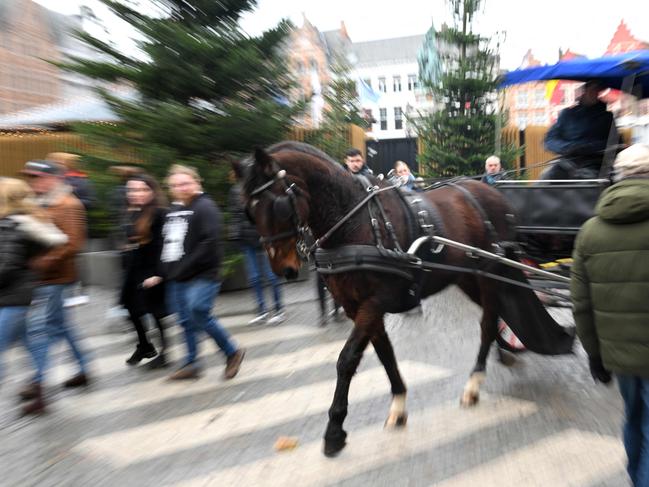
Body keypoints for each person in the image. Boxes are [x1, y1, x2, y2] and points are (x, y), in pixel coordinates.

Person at [571, 143, 649, 486]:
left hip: (620, 358)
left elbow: (581, 305)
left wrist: (595, 356)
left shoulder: (590, 232)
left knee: (633, 421)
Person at [154, 164, 245, 380]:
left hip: (202, 274)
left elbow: (210, 242)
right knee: (185, 320)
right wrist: (164, 269)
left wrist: (184, 266)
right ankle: (192, 363)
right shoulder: (175, 209)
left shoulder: (205, 207)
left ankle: (232, 352)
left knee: (198, 311)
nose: (181, 188)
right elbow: (167, 241)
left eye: (185, 183)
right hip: (176, 275)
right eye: (175, 185)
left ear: (197, 183)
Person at [19, 160, 90, 414]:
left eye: (38, 177)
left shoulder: (68, 204)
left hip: (55, 278)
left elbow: (73, 244)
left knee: (41, 328)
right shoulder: (43, 202)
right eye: (30, 177)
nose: (33, 182)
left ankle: (38, 380)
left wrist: (41, 262)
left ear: (54, 178)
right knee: (59, 325)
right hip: (46, 278)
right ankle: (83, 367)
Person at [0, 178, 68, 389]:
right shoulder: (15, 223)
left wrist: (37, 263)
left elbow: (8, 265)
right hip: (14, 295)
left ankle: (38, 383)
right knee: (28, 340)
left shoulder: (15, 225)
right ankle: (38, 383)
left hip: (14, 296)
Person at [121, 173, 171, 368]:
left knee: (154, 312)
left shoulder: (159, 213)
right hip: (135, 268)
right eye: (132, 190)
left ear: (152, 191)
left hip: (152, 269)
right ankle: (144, 345)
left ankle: (166, 352)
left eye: (142, 189)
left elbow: (162, 245)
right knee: (131, 309)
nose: (136, 193)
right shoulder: (134, 211)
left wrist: (159, 274)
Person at [227, 178, 285, 326]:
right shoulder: (235, 191)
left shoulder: (263, 189)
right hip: (247, 240)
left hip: (264, 238)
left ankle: (279, 309)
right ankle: (262, 311)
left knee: (271, 275)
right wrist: (236, 235)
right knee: (254, 277)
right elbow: (236, 215)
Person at [543, 80, 619, 180]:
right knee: (547, 176)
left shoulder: (607, 117)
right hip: (567, 162)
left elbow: (615, 143)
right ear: (584, 91)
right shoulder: (567, 114)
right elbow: (550, 140)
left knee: (589, 181)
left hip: (595, 163)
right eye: (592, 90)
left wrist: (589, 147)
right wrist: (568, 147)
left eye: (597, 90)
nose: (594, 93)